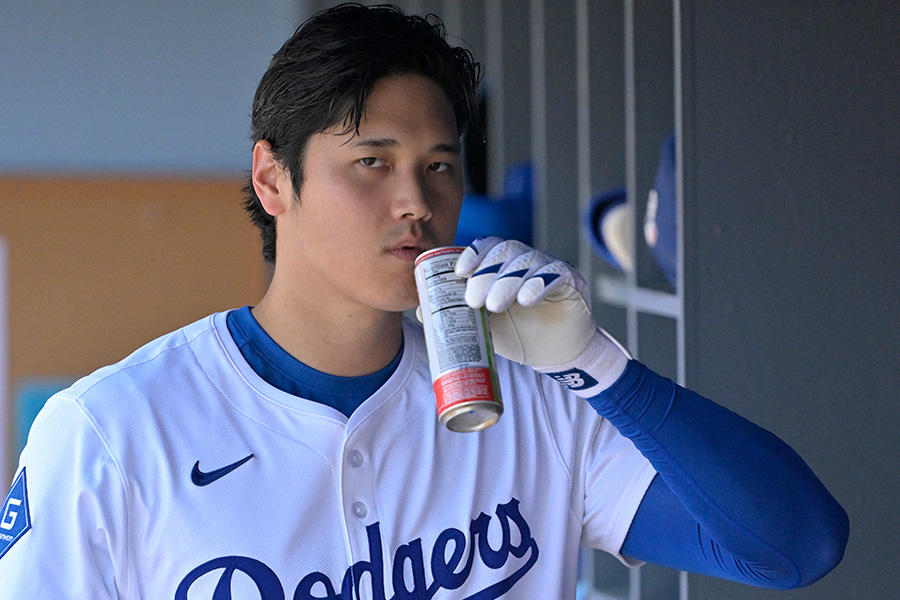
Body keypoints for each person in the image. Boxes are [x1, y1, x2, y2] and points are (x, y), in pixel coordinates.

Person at [0, 3, 848, 598]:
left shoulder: (537, 400)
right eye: (372, 161)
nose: (416, 199)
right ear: (272, 179)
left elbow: (795, 547)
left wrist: (599, 368)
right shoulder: (109, 431)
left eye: (439, 164)